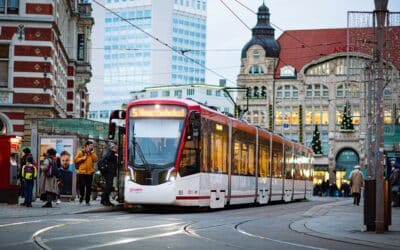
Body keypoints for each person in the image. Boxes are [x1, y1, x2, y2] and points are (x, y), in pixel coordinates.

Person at [74, 141, 98, 205]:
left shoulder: (92, 153)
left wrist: (91, 153)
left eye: (92, 145)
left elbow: (95, 159)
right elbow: (75, 160)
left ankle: (87, 200)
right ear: (87, 146)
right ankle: (81, 196)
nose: (92, 146)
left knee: (89, 187)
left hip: (90, 173)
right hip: (82, 172)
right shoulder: (81, 152)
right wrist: (82, 158)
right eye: (90, 145)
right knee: (82, 186)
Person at [100, 142, 118, 206]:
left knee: (109, 186)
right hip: (108, 172)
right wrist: (115, 155)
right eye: (115, 147)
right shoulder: (110, 153)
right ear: (112, 148)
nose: (116, 148)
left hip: (110, 172)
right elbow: (110, 159)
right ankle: (103, 198)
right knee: (109, 186)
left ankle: (106, 200)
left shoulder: (111, 153)